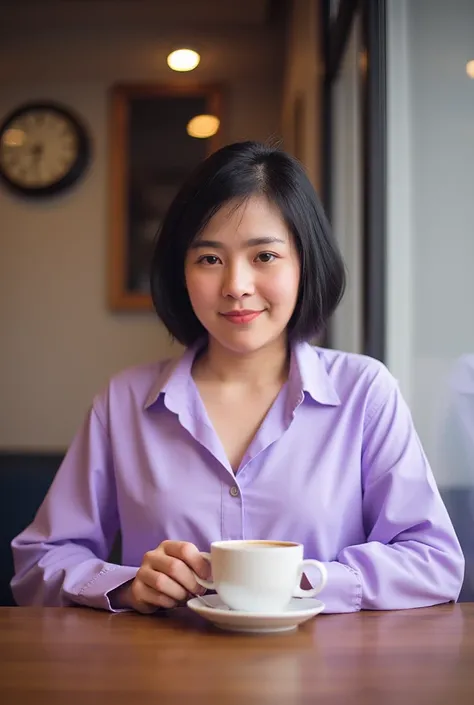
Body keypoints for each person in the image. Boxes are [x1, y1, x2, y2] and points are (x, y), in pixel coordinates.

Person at [11, 141, 464, 614]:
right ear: (181, 273)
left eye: (264, 256)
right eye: (209, 259)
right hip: (163, 677)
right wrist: (128, 586)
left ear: (304, 264)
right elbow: (38, 561)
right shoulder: (124, 400)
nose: (236, 286)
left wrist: (305, 582)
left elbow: (433, 562)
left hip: (326, 680)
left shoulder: (364, 392)